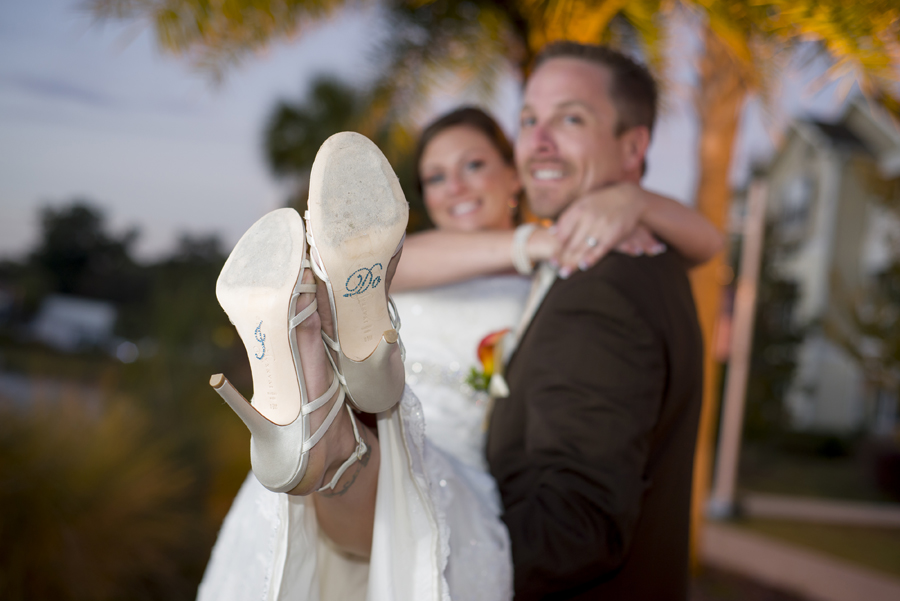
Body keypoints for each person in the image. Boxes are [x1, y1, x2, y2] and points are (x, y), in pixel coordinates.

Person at [199, 48, 714, 600]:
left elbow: (708, 241)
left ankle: (320, 413)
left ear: (510, 174)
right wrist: (538, 240)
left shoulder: (589, 278)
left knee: (408, 479)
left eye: (570, 118)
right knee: (395, 485)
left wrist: (635, 201)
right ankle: (329, 397)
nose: (458, 188)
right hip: (410, 448)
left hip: (455, 461)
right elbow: (399, 262)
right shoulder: (452, 261)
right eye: (529, 120)